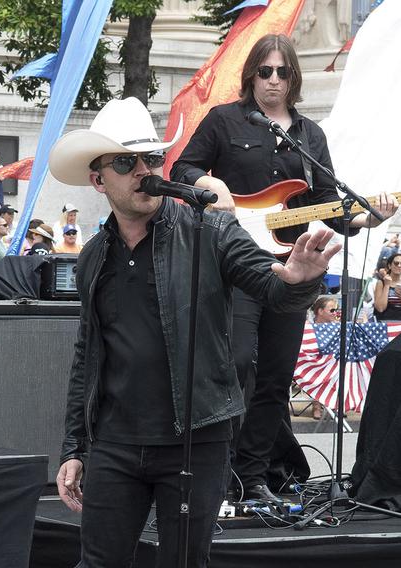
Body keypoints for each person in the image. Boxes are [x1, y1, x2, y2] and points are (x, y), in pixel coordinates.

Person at [50, 96, 339, 568]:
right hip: (115, 443)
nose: (145, 170)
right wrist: (74, 448)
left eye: (153, 158)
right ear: (98, 180)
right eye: (127, 162)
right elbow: (88, 354)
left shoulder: (209, 230)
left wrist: (299, 282)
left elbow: (272, 289)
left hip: (195, 439)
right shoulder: (93, 258)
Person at [170, 34, 398, 502]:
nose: (273, 80)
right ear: (251, 74)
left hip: (291, 270)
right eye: (265, 71)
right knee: (234, 364)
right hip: (234, 266)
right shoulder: (224, 120)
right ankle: (219, 469)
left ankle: (252, 477)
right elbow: (181, 170)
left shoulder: (309, 135)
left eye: (283, 72)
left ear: (294, 78)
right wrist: (209, 181)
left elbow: (326, 205)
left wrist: (368, 215)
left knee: (276, 374)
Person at [374, 252, 401, 321]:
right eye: (396, 263)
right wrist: (387, 285)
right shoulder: (381, 283)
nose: (399, 265)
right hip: (386, 323)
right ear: (389, 266)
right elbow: (380, 308)